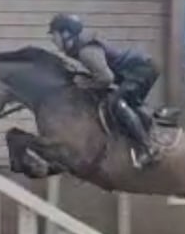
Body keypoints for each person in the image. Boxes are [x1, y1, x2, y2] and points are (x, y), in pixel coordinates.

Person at [47, 13, 159, 168]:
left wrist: (86, 83)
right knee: (118, 99)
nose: (53, 39)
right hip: (132, 71)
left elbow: (106, 78)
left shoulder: (85, 51)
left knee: (116, 102)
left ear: (66, 34)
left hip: (142, 69)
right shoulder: (80, 47)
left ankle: (148, 148)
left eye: (54, 35)